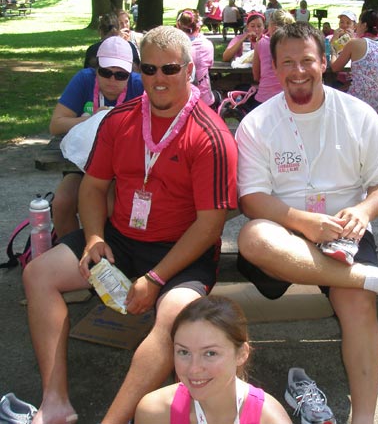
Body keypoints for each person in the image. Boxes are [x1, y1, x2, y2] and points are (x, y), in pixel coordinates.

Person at [23, 25, 238, 424]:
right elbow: (92, 188)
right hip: (119, 239)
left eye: (170, 69)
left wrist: (155, 279)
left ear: (189, 70)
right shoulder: (119, 119)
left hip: (181, 253)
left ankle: (112, 420)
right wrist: (93, 238)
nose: (158, 79)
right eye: (149, 70)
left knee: (174, 317)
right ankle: (55, 403)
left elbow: (210, 226)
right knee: (38, 275)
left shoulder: (211, 135)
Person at [235, 22, 378, 424]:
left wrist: (362, 212)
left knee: (359, 308)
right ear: (274, 67)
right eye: (287, 62)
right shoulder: (257, 124)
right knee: (252, 237)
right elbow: (251, 199)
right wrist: (302, 222)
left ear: (324, 62)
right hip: (285, 232)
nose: (298, 71)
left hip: (347, 234)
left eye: (307, 60)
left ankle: (364, 418)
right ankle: (374, 278)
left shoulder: (358, 114)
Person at [134, 295, 293, 424]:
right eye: (183, 352)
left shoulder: (269, 419)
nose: (194, 368)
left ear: (241, 354)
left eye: (210, 353)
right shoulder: (155, 413)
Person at [51, 36, 144, 238]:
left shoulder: (139, 86)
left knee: (111, 205)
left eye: (121, 75)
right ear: (96, 69)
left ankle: (110, 256)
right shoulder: (84, 79)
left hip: (122, 169)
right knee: (61, 203)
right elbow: (56, 124)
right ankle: (74, 252)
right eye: (106, 72)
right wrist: (95, 119)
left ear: (131, 72)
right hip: (82, 165)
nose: (112, 80)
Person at [331, 9, 378, 112]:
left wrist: (333, 52)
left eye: (359, 23)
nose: (357, 26)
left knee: (332, 97)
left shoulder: (354, 43)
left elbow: (334, 67)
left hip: (359, 101)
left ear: (364, 25)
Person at [176, 8, 220, 109]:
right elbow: (210, 65)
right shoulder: (207, 45)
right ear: (198, 25)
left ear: (178, 25)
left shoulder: (174, 47)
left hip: (180, 100)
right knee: (217, 95)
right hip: (204, 99)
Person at [251, 9, 294, 108]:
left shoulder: (261, 43)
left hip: (264, 98)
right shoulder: (294, 45)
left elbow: (256, 75)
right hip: (289, 98)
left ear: (272, 26)